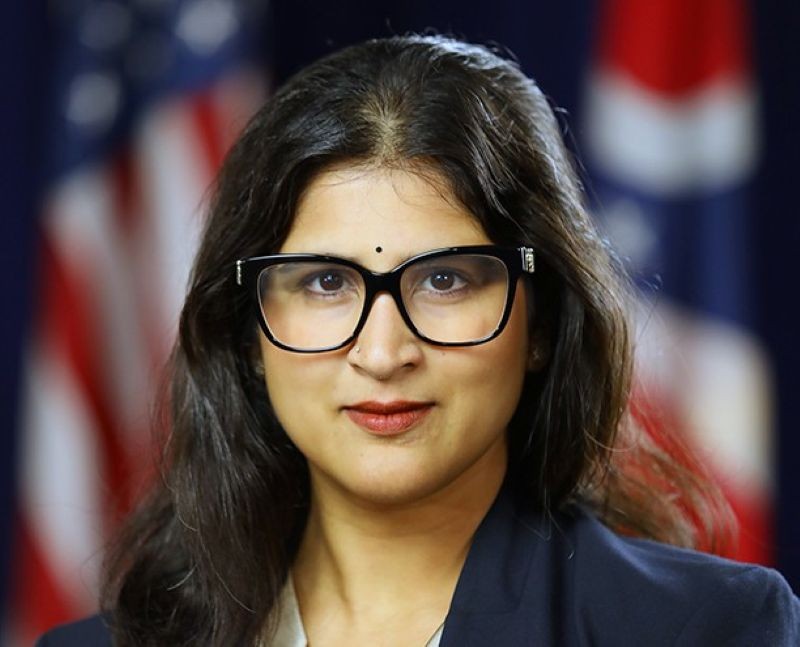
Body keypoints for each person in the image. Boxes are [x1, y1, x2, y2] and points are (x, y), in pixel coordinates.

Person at [37, 35, 799, 646]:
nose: (382, 352)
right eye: (325, 283)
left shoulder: (704, 629)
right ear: (248, 335)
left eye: (444, 280)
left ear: (541, 323)